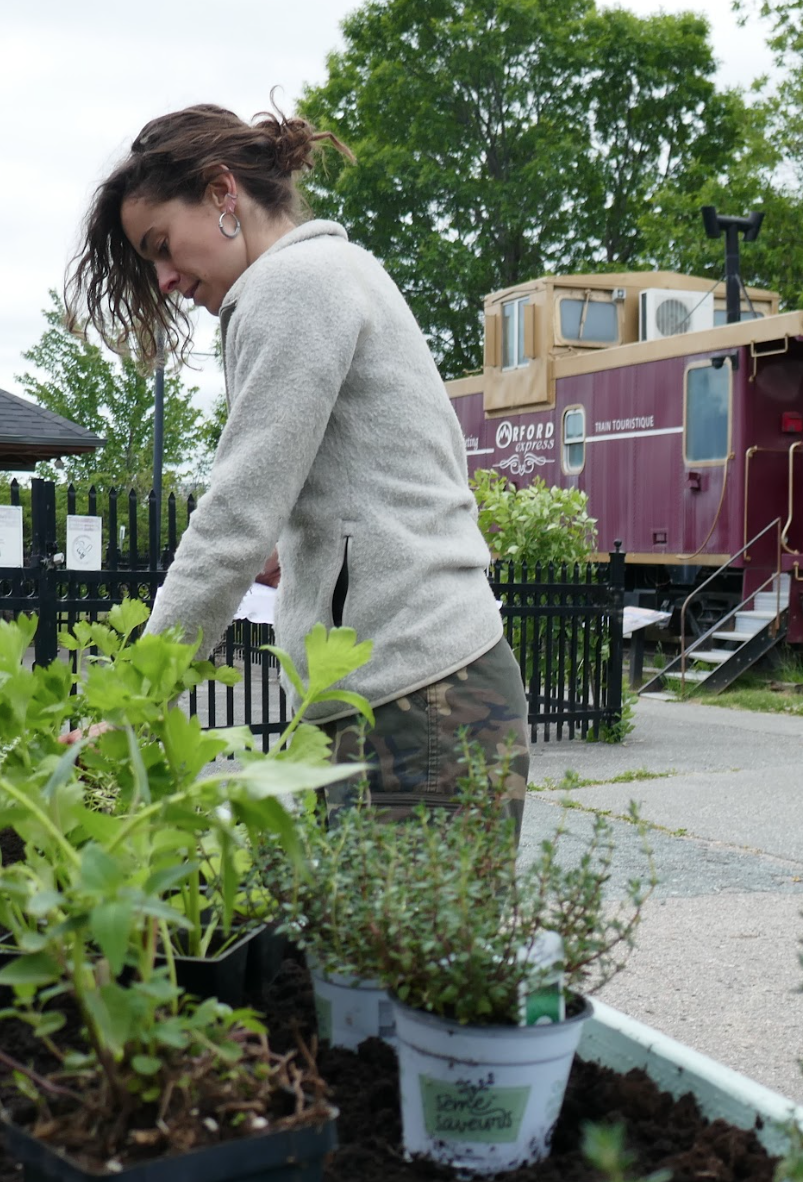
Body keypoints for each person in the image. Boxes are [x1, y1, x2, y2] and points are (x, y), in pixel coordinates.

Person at [64, 104, 528, 832]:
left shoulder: (291, 286)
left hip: (417, 700)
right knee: (391, 946)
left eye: (161, 245)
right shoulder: (342, 271)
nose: (164, 280)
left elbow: (232, 519)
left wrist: (137, 700)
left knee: (389, 948)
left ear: (222, 193)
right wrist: (312, 544)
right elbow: (408, 467)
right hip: (431, 687)